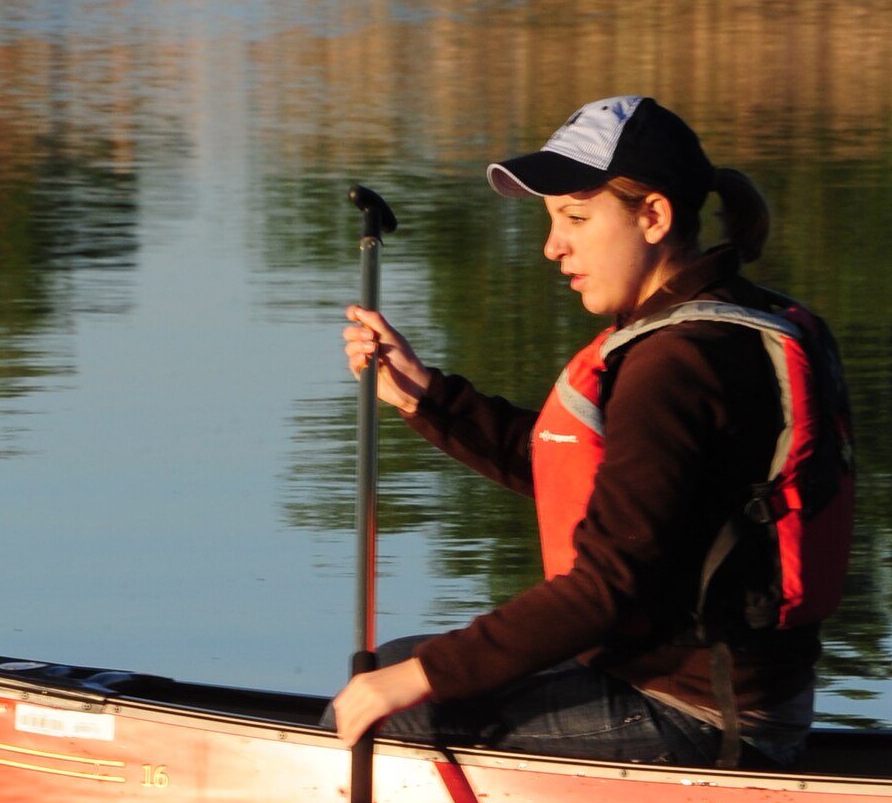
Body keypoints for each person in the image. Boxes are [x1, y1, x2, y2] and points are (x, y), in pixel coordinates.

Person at [334, 94, 854, 768]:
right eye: (552, 220)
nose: (553, 246)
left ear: (654, 216)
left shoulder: (681, 361)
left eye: (576, 217)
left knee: (401, 701)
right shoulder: (727, 324)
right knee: (396, 666)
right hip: (716, 696)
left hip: (699, 716)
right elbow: (588, 478)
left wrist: (416, 680)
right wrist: (428, 398)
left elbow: (608, 586)